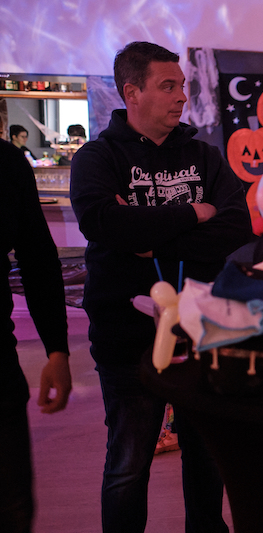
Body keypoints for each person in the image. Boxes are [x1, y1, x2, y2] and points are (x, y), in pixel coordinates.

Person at [70, 41, 251, 533]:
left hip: (202, 334)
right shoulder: (97, 158)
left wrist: (149, 240)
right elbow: (105, 224)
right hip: (126, 336)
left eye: (182, 86)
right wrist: (194, 212)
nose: (181, 97)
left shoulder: (204, 156)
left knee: (207, 459)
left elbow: (236, 226)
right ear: (132, 92)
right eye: (168, 86)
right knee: (128, 464)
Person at [0, 138, 72, 533]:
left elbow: (38, 259)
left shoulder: (7, 162)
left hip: (0, 365)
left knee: (13, 509)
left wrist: (57, 349)